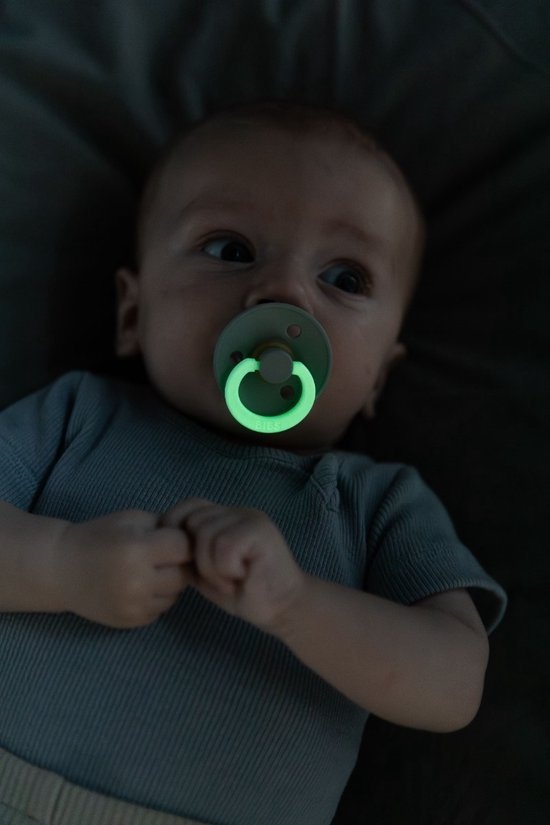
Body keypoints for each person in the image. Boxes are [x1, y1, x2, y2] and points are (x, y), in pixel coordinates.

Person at [0, 101, 506, 825]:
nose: (285, 294)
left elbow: (453, 684)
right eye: (230, 248)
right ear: (133, 313)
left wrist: (297, 605)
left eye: (345, 278)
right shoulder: (80, 413)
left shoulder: (379, 503)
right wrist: (60, 565)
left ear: (376, 379)